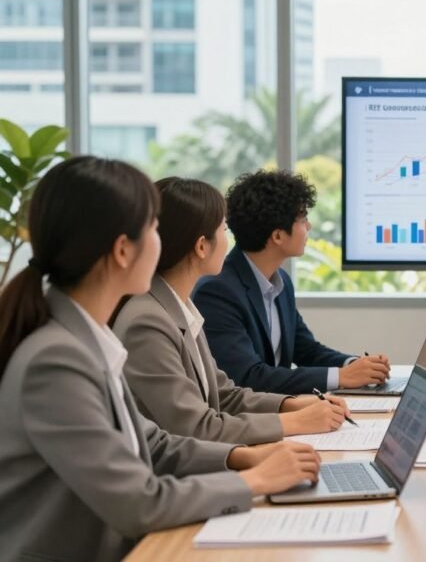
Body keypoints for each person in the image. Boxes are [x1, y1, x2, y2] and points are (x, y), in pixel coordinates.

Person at [0, 157, 321, 562]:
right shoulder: (55, 361)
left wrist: (242, 456)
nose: (164, 240)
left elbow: (151, 442)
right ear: (122, 250)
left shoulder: (85, 338)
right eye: (154, 228)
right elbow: (140, 502)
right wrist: (255, 481)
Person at [114, 177, 352, 444]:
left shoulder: (180, 307)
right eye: (224, 230)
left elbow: (224, 394)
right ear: (202, 246)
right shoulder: (147, 322)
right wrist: (296, 421)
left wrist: (294, 404)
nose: (230, 242)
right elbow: (196, 428)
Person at [193, 169, 390, 395]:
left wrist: (354, 365)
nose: (309, 227)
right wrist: (341, 377)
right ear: (278, 236)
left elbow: (306, 350)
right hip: (251, 414)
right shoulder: (217, 291)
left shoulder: (281, 282)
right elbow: (247, 377)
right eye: (303, 219)